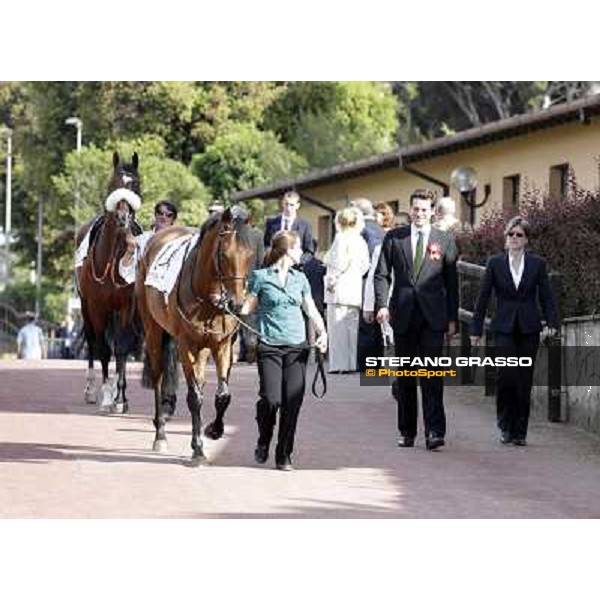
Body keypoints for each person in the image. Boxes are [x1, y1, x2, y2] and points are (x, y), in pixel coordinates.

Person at [374, 189, 459, 451]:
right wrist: (381, 305)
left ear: (432, 212)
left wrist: (452, 318)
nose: (419, 213)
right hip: (403, 315)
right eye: (415, 209)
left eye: (424, 209)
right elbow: (381, 275)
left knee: (432, 374)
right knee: (407, 376)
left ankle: (434, 431)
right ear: (410, 210)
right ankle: (407, 431)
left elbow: (452, 283)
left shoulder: (444, 240)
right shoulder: (394, 238)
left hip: (433, 317)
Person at [240, 231, 327, 471]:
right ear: (287, 250)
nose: (302, 252)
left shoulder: (300, 278)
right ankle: (264, 438)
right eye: (299, 248)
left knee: (293, 402)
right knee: (271, 399)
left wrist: (323, 333)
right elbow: (246, 308)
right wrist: (233, 304)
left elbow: (310, 309)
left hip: (297, 347)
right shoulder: (260, 277)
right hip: (269, 345)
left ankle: (284, 453)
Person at [470, 216, 559, 446]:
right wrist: (476, 328)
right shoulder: (495, 263)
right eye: (511, 234)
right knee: (507, 377)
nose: (515, 238)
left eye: (519, 235)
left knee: (524, 380)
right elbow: (483, 297)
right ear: (506, 237)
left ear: (526, 239)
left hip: (529, 328)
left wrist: (552, 323)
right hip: (504, 328)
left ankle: (520, 431)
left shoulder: (537, 264)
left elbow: (547, 297)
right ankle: (505, 425)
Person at [324, 207, 370, 373]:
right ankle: (351, 363)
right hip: (354, 288)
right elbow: (365, 265)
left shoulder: (340, 238)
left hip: (338, 289)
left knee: (337, 330)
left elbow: (338, 262)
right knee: (352, 329)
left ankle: (338, 365)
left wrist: (332, 279)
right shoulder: (360, 240)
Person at [350, 198, 385, 370]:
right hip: (382, 281)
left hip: (366, 280)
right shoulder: (381, 230)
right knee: (376, 326)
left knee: (367, 325)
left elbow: (370, 259)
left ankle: (366, 364)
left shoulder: (364, 231)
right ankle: (376, 362)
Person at [263, 190, 314, 254]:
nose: (288, 208)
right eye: (286, 204)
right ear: (282, 203)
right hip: (275, 262)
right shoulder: (271, 223)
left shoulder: (305, 225)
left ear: (297, 205)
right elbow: (265, 245)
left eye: (291, 205)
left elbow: (309, 251)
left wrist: (299, 261)